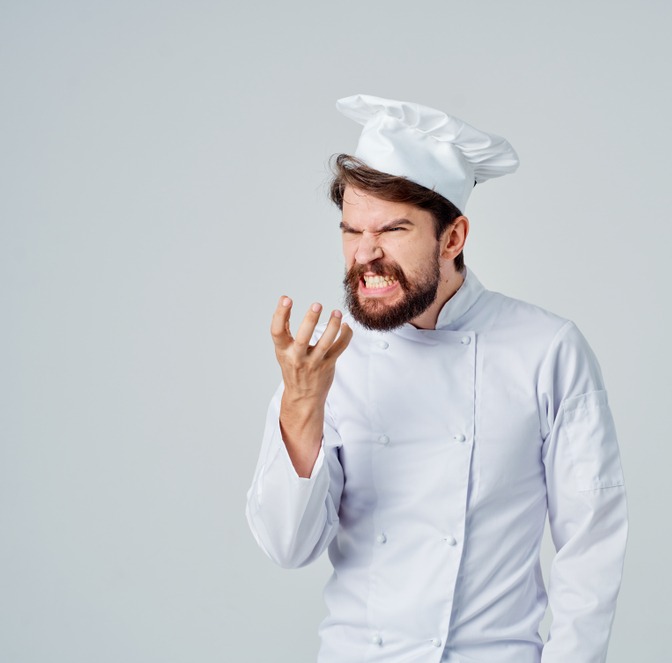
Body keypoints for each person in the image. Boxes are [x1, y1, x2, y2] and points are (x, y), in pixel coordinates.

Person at [246, 94, 628, 663]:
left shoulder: (545, 348)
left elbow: (591, 540)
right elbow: (287, 547)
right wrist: (302, 406)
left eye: (392, 230)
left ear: (452, 238)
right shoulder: (324, 361)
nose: (365, 255)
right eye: (351, 231)